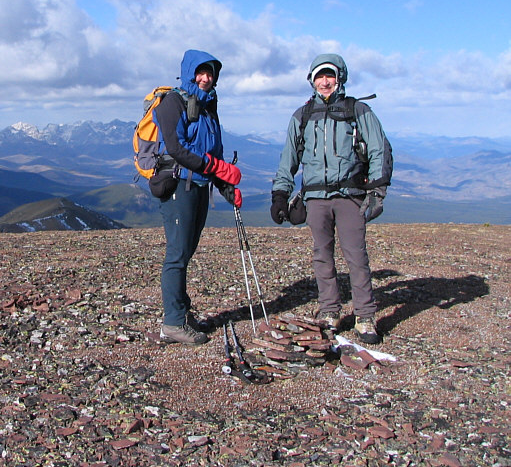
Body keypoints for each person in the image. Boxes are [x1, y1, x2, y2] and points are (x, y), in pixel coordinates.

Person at [270, 53, 392, 344]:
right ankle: (330, 312)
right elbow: (289, 159)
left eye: (330, 76)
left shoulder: (358, 111)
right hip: (315, 198)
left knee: (356, 256)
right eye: (320, 76)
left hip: (350, 196)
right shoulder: (302, 115)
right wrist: (280, 194)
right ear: (312, 80)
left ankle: (365, 317)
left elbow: (379, 151)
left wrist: (376, 192)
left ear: (340, 78)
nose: (325, 81)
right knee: (321, 255)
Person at [153, 49, 242, 345]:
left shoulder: (207, 105)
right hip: (179, 186)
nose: (205, 78)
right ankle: (173, 323)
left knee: (185, 253)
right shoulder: (172, 103)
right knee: (177, 254)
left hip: (201, 186)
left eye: (210, 73)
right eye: (200, 72)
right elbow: (176, 149)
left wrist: (224, 183)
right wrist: (215, 167)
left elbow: (212, 148)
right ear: (189, 72)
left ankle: (180, 312)